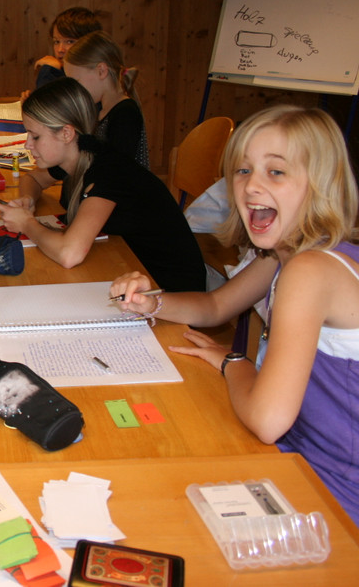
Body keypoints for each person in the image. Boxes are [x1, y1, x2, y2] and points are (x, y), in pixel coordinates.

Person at [110, 105, 359, 523]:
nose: (251, 186)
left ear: (321, 184)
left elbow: (267, 420)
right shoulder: (288, 254)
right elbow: (216, 306)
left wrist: (234, 364)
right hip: (305, 459)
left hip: (336, 492)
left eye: (276, 172)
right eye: (243, 171)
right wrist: (151, 302)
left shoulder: (310, 270)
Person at [0, 78, 205, 292]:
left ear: (66, 133)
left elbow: (70, 254)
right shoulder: (79, 154)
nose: (27, 145)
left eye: (35, 136)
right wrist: (28, 200)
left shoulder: (108, 171)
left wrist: (27, 223)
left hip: (173, 290)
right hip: (133, 271)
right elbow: (32, 179)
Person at [63, 30, 149, 168]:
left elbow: (117, 166)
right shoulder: (102, 110)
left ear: (101, 71)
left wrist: (81, 142)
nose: (75, 91)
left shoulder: (125, 112)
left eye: (76, 82)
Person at [22, 7, 102, 99]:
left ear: (89, 43)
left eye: (70, 42)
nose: (60, 49)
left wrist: (51, 70)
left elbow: (55, 106)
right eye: (56, 42)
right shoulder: (61, 70)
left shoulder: (97, 74)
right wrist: (30, 101)